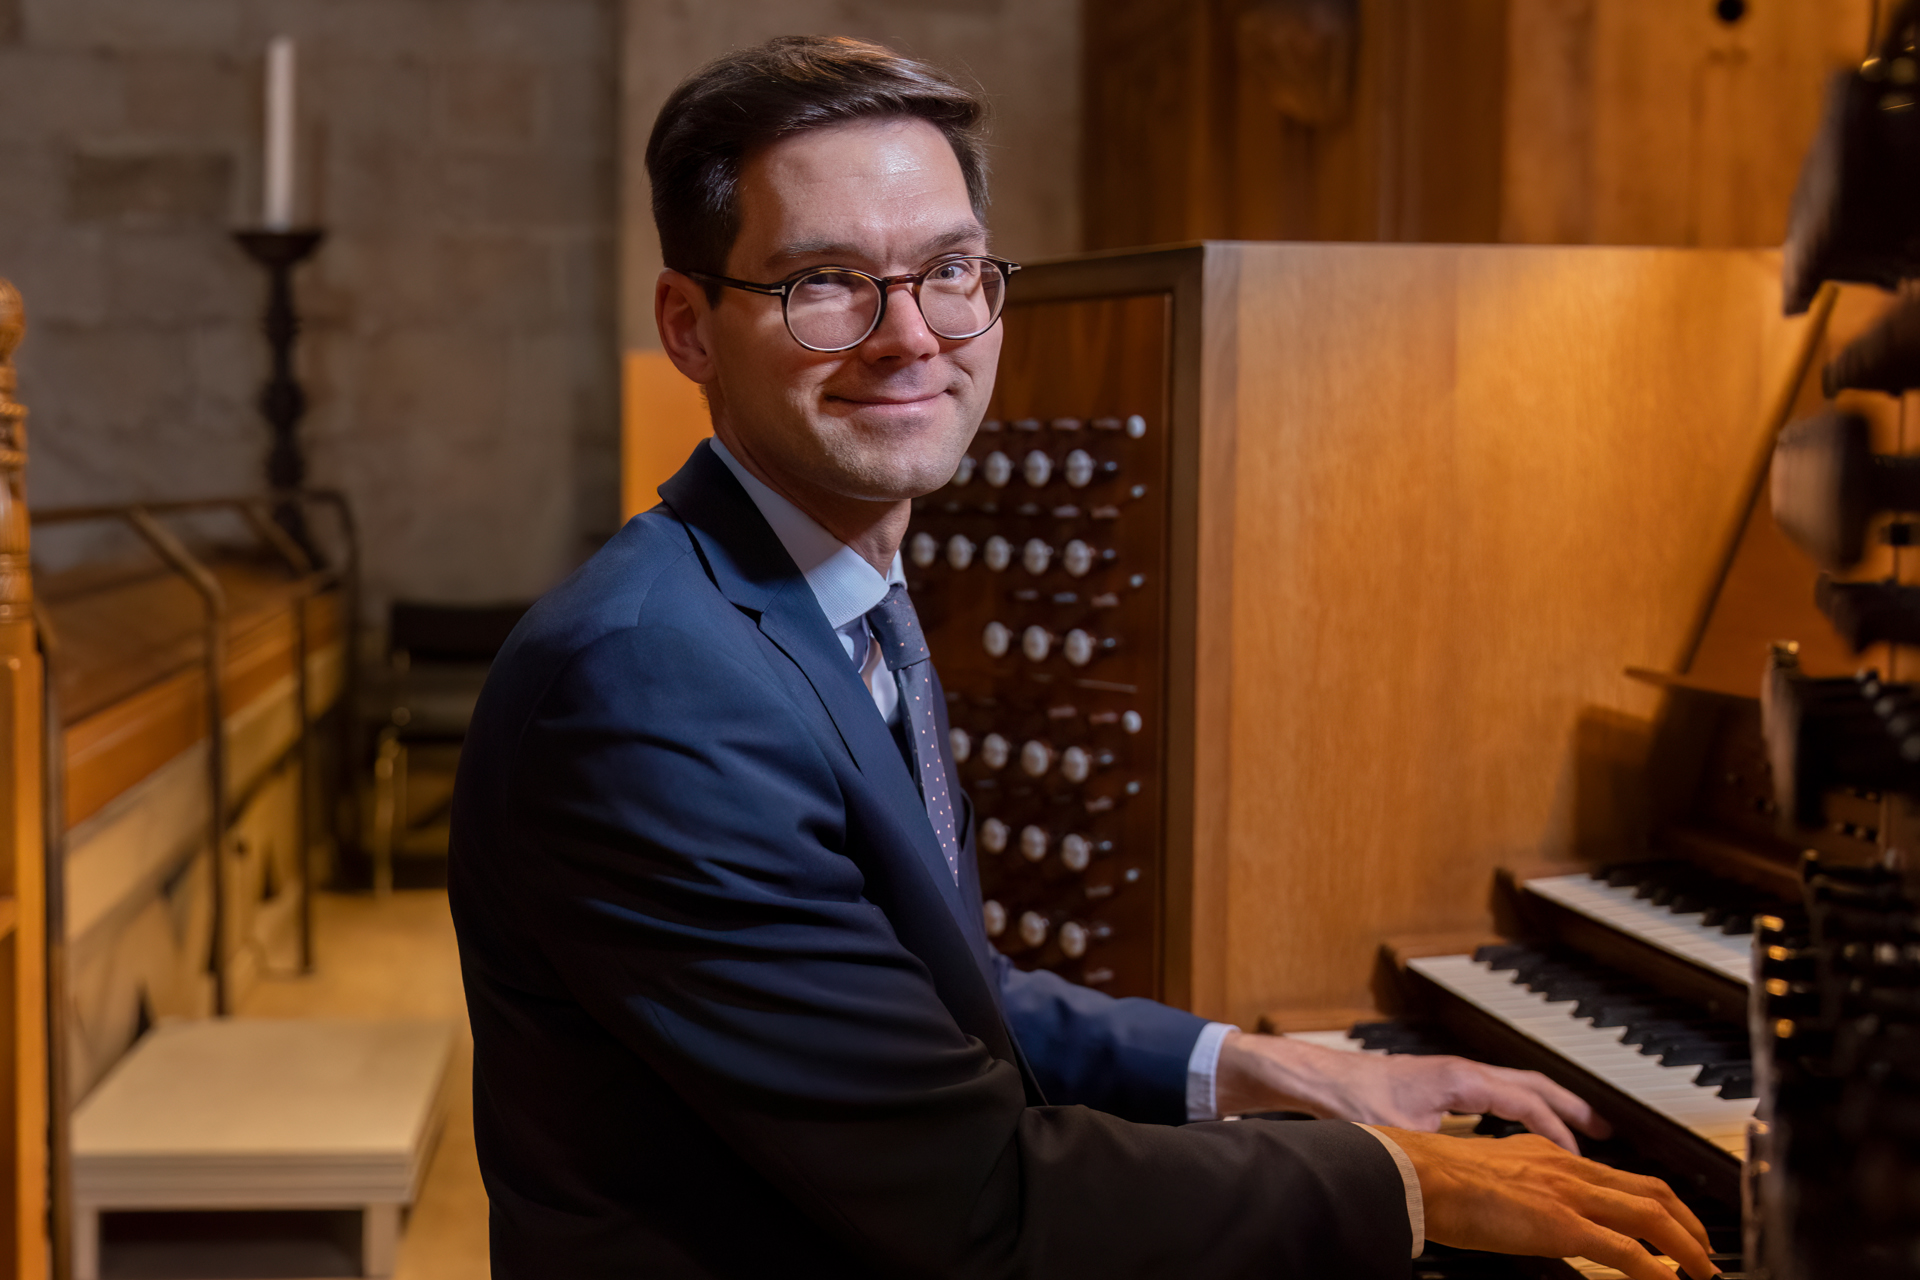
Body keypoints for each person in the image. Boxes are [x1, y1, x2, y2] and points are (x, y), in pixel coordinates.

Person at [449, 34, 1719, 1280]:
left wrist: (1266, 1065)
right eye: (825, 281)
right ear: (689, 326)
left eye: (949, 269)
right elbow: (978, 1198)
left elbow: (945, 995)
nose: (910, 335)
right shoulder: (649, 684)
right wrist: (1412, 1183)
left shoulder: (834, 597)